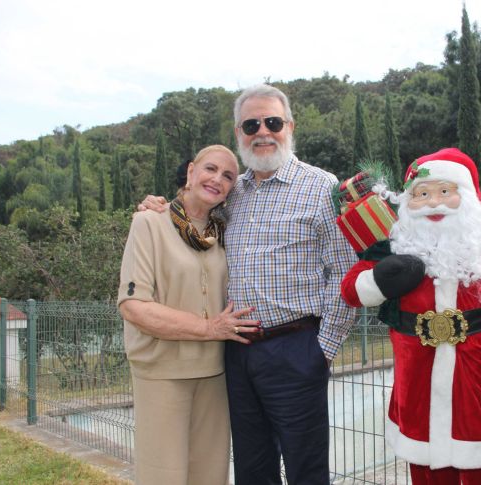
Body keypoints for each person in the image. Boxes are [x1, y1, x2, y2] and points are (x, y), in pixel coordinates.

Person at [138, 84, 358, 484]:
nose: (263, 131)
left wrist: (322, 349)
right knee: (253, 470)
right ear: (238, 132)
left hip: (296, 349)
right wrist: (160, 206)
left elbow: (345, 274)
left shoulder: (321, 187)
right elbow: (193, 212)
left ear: (289, 126)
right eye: (251, 124)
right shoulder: (231, 190)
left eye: (272, 122)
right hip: (236, 353)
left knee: (306, 470)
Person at [340, 148, 481, 485]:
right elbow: (351, 291)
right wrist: (381, 279)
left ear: (469, 198)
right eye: (422, 194)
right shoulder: (395, 251)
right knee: (428, 471)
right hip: (419, 389)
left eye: (446, 192)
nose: (433, 203)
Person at [118, 144, 261, 485]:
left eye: (228, 176)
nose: (217, 180)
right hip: (162, 372)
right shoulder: (149, 223)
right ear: (191, 171)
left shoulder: (224, 232)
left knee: (210, 476)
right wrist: (211, 328)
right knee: (163, 476)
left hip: (214, 373)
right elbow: (134, 306)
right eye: (210, 169)